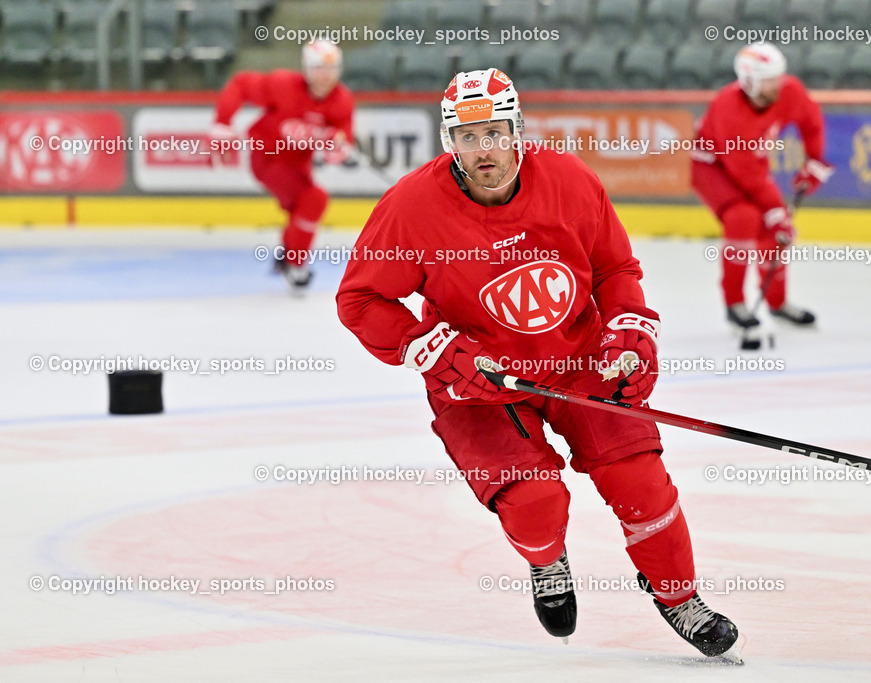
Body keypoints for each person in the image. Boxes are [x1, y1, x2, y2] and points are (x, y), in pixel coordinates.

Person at [336, 68, 741, 662]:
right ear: (450, 141)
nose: (484, 150)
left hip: (578, 360)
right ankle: (547, 560)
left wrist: (628, 330)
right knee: (534, 501)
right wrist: (432, 347)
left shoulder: (570, 181)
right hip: (478, 380)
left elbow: (614, 268)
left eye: (494, 134)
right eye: (468, 137)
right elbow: (361, 299)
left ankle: (678, 597)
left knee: (641, 483)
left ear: (517, 131)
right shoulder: (412, 207)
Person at [691, 42, 833, 337]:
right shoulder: (729, 110)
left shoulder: (789, 90)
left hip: (747, 167)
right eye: (769, 80)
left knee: (773, 234)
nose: (777, 84)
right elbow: (746, 173)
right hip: (711, 167)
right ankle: (734, 304)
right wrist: (777, 211)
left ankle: (777, 303)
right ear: (749, 81)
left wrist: (814, 161)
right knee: (743, 218)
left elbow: (811, 121)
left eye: (778, 76)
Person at [212, 40, 354, 291]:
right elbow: (240, 84)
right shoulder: (283, 86)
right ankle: (294, 262)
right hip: (267, 158)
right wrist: (223, 123)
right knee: (314, 200)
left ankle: (289, 255)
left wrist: (337, 146)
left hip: (299, 164)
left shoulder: (341, 101)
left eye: (332, 68)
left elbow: (343, 141)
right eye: (319, 68)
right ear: (307, 68)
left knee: (303, 208)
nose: (326, 76)